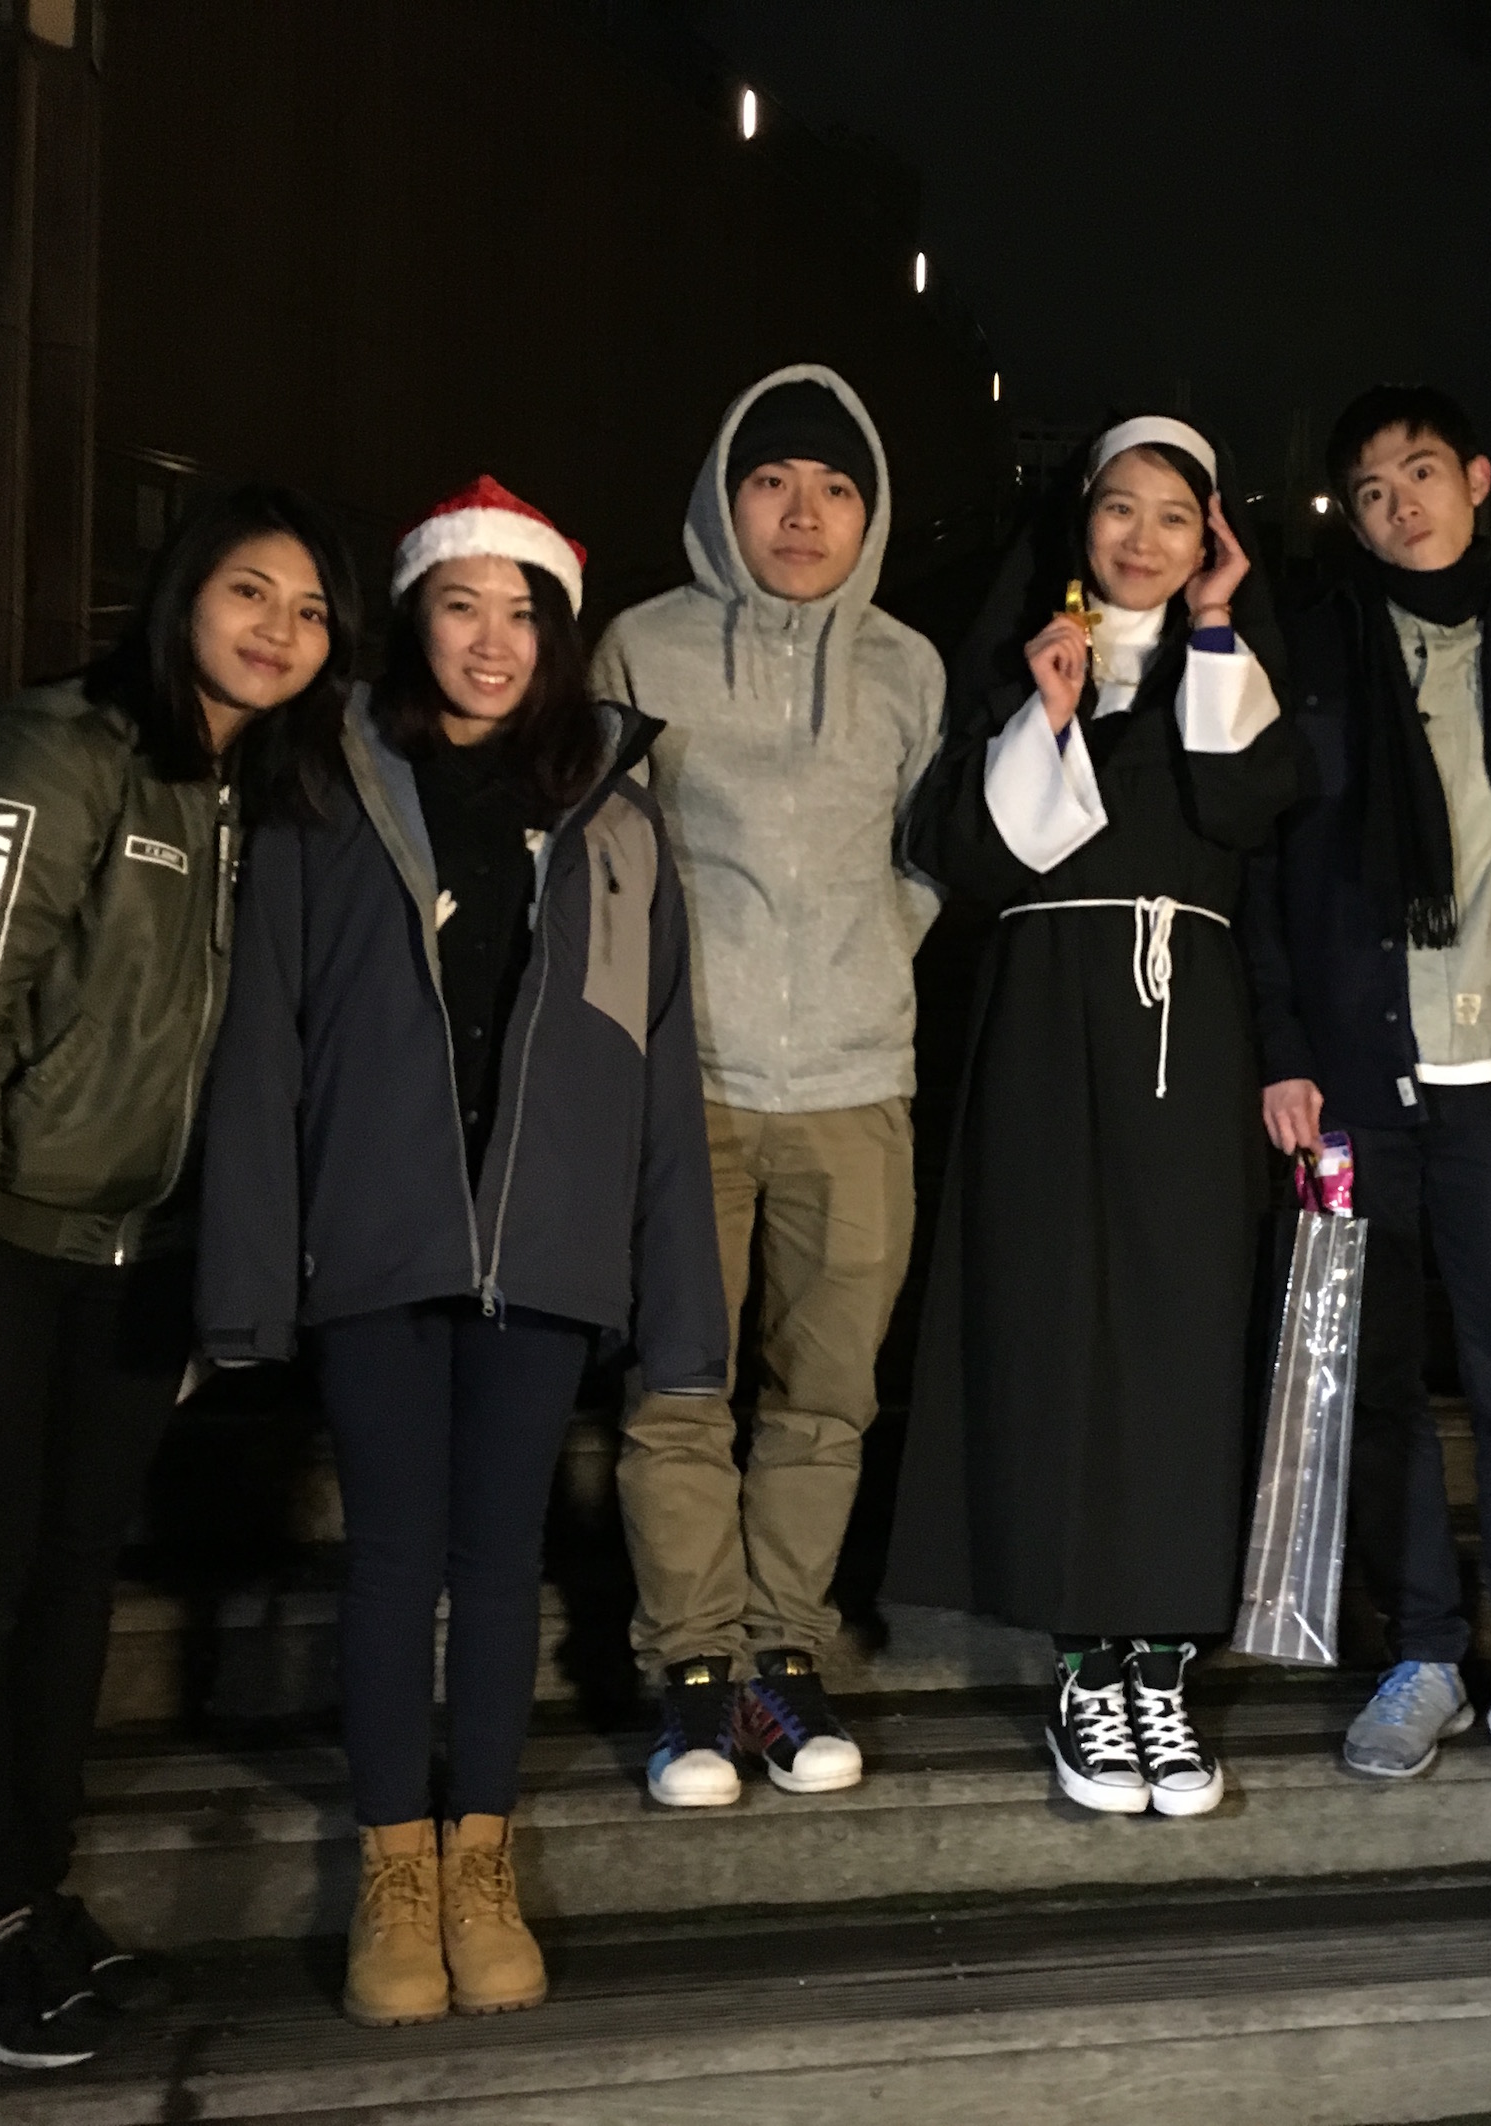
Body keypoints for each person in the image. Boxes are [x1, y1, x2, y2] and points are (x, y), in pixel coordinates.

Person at [200, 477, 722, 2026]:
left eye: (523, 614)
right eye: (459, 606)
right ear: (414, 619)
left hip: (545, 1246)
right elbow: (263, 1045)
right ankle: (395, 1869)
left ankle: (481, 1859)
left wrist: (677, 1309)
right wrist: (247, 1281)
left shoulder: (619, 816)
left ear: (558, 635)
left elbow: (661, 1069)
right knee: (391, 1557)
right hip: (378, 1233)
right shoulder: (328, 787)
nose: (492, 643)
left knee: (499, 1567)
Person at [0, 483, 357, 2068]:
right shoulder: (53, 752)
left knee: (75, 1578)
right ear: (182, 591)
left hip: (139, 1265)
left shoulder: (252, 792)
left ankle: (32, 1890)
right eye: (251, 590)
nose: (280, 629)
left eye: (312, 610)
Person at [887, 415, 1303, 1818]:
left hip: (1193, 1029)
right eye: (1119, 509)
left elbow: (1245, 808)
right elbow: (975, 857)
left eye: (1176, 516)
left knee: (1184, 1329)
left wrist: (1217, 626)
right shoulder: (1024, 663)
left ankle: (1161, 1661)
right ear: (1080, 524)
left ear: (1212, 539)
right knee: (1058, 1320)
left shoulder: (1229, 669)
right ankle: (1083, 1660)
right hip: (1045, 1025)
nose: (1143, 536)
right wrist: (1050, 710)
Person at [1238, 385, 1491, 1868]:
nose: (1398, 503)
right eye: (1368, 487)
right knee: (1378, 1389)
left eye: (1419, 472)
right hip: (1359, 1080)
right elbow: (1270, 866)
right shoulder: (1312, 644)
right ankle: (1424, 1651)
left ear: (1476, 476)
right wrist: (1287, 1049)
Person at [588, 368, 944, 1809]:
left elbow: (928, 851)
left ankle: (782, 1657)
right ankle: (689, 1670)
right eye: (773, 481)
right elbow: (602, 846)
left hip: (858, 1084)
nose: (804, 513)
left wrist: (876, 954)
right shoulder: (641, 646)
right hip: (692, 1084)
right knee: (680, 1385)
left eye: (836, 488)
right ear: (723, 496)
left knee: (829, 1396)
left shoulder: (909, 669)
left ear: (872, 512)